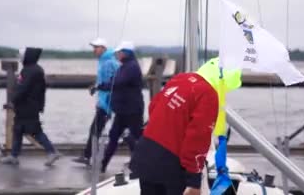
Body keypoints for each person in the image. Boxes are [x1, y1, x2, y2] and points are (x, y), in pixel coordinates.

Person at [130, 62, 226, 195]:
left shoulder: (179, 79)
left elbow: (153, 106)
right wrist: (194, 181)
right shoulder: (208, 94)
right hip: (171, 167)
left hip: (146, 154)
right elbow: (197, 138)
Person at [1, 47, 62, 166]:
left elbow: (22, 88)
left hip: (28, 106)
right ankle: (14, 155)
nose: (20, 58)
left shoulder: (29, 71)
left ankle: (52, 152)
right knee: (18, 129)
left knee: (36, 131)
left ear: (27, 56)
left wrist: (13, 101)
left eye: (21, 56)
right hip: (28, 105)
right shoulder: (35, 69)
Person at [97, 41, 144, 173]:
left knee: (136, 137)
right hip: (122, 110)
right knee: (113, 137)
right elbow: (114, 82)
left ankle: (140, 164)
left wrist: (104, 85)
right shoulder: (124, 66)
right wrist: (100, 86)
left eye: (118, 52)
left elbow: (118, 82)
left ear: (126, 53)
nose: (116, 55)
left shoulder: (131, 67)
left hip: (132, 110)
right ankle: (102, 165)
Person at [73, 38, 119, 166]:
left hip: (108, 103)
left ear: (103, 48)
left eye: (96, 47)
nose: (94, 50)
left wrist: (99, 88)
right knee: (97, 130)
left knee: (96, 130)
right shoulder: (104, 61)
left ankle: (88, 157)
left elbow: (112, 83)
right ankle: (88, 156)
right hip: (104, 102)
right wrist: (96, 87)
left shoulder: (109, 62)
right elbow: (104, 82)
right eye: (93, 47)